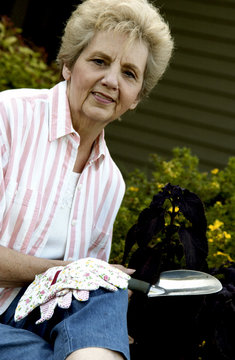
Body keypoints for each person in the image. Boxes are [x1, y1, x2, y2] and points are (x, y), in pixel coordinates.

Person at [0, 0, 173, 359]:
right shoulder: (8, 119)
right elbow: (78, 278)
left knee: (103, 287)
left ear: (137, 97)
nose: (111, 81)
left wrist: (99, 290)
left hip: (33, 319)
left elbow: (83, 303)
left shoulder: (110, 183)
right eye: (99, 61)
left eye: (129, 73)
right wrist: (73, 273)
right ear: (67, 64)